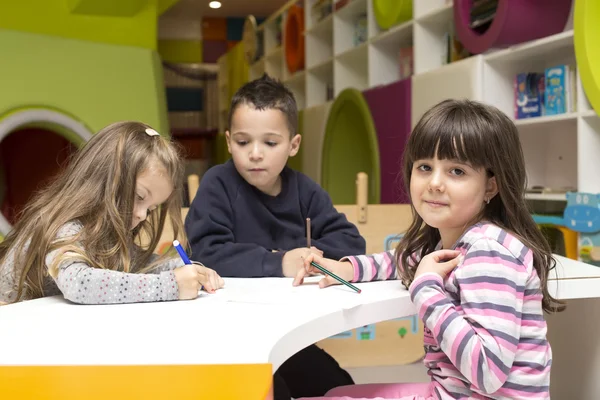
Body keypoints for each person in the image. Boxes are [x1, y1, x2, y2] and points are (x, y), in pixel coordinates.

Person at [295, 99, 565, 400]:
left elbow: (488, 373)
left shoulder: (489, 252)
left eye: (457, 172)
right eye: (425, 167)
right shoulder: (453, 241)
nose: (434, 183)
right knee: (336, 391)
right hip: (449, 392)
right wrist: (344, 268)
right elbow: (401, 261)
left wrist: (426, 289)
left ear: (491, 186)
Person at [185, 74, 364, 399]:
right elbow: (208, 254)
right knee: (270, 392)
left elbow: (351, 242)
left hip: (288, 332)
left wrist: (314, 257)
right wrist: (279, 261)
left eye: (269, 143)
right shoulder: (217, 185)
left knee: (339, 387)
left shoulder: (304, 190)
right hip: (228, 337)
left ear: (293, 144)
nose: (255, 154)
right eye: (243, 142)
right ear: (228, 142)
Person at [0, 121, 223, 306]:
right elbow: (80, 284)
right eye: (139, 196)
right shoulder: (65, 226)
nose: (143, 216)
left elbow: (139, 264)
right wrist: (172, 285)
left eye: (151, 208)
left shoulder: (107, 230)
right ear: (103, 180)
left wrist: (188, 269)